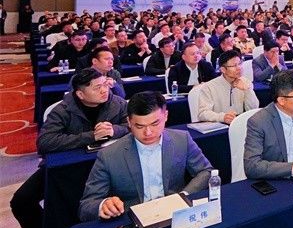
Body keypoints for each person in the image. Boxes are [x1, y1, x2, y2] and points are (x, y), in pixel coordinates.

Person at [11, 69, 128, 228]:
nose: (104, 90)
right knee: (21, 200)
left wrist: (115, 130)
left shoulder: (117, 103)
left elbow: (133, 126)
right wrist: (90, 136)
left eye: (105, 84)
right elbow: (45, 142)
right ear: (80, 94)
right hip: (65, 169)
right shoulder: (63, 110)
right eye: (97, 88)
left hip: (107, 165)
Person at [78, 92, 212, 221]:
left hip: (175, 213)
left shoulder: (182, 139)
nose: (148, 132)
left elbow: (206, 171)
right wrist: (103, 205)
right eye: (139, 126)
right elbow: (86, 206)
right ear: (129, 122)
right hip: (132, 218)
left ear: (166, 116)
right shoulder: (109, 155)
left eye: (155, 124)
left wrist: (183, 195)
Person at [197, 50, 259, 124]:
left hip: (238, 124)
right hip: (219, 125)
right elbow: (203, 113)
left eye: (240, 63)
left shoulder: (245, 82)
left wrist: (247, 90)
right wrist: (222, 117)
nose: (239, 68)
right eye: (234, 66)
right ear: (223, 69)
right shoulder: (209, 87)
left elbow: (253, 109)